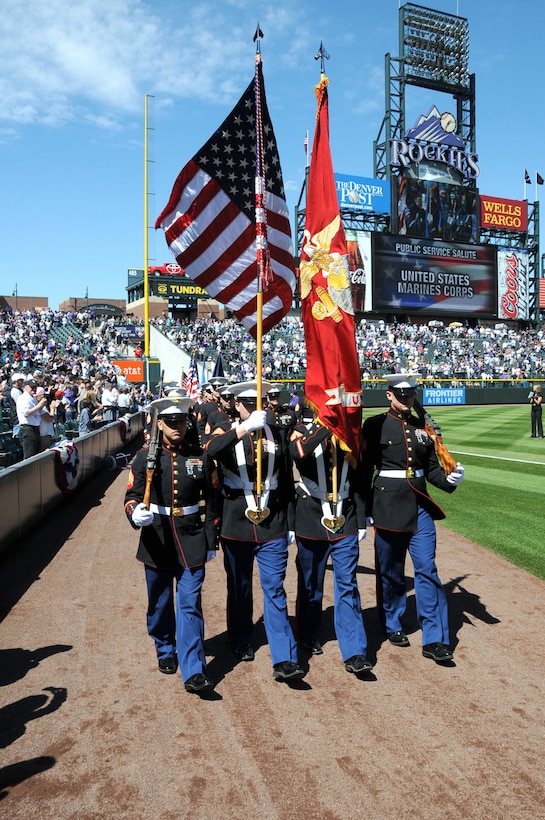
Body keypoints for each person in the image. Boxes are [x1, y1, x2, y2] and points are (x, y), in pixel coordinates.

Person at [360, 373, 465, 664]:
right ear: (389, 395)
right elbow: (364, 470)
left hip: (420, 506)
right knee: (391, 572)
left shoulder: (422, 428)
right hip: (387, 506)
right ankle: (392, 623)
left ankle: (435, 639)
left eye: (410, 395)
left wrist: (450, 479)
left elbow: (431, 469)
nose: (407, 400)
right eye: (401, 395)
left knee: (427, 570)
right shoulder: (375, 425)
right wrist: (364, 512)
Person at [205, 380, 305, 682]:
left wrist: (290, 522)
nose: (254, 407)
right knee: (240, 587)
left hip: (272, 519)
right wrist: (245, 427)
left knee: (275, 587)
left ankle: (284, 657)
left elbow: (286, 479)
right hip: (237, 518)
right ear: (237, 405)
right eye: (247, 403)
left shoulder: (277, 431)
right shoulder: (226, 429)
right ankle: (239, 638)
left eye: (258, 402)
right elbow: (210, 451)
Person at [124, 395, 221, 694]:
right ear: (160, 424)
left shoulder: (200, 456)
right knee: (160, 602)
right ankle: (165, 647)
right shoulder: (143, 459)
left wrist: (211, 537)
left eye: (183, 421)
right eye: (172, 422)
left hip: (191, 537)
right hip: (157, 538)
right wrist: (134, 512)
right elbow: (131, 495)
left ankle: (193, 669)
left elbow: (213, 500)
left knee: (190, 604)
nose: (179, 426)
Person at [289, 408, 372, 675]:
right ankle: (308, 633)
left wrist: (361, 518)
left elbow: (360, 478)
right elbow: (299, 453)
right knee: (311, 584)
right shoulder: (301, 430)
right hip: (310, 515)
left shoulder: (350, 435)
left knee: (347, 584)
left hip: (345, 517)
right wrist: (327, 426)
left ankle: (355, 651)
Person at [16, 376, 49, 459]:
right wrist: (39, 405)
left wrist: (41, 406)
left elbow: (37, 412)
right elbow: (26, 413)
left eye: (35, 388)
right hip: (28, 429)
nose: (34, 389)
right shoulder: (23, 398)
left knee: (36, 456)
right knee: (29, 456)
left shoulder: (33, 398)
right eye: (32, 387)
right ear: (26, 387)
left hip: (36, 428)